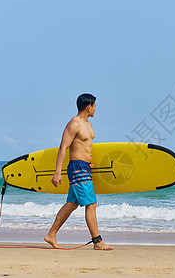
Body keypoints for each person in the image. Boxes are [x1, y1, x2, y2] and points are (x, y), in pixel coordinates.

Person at [44, 93, 114, 250]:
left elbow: (85, 147)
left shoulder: (89, 124)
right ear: (89, 107)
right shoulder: (73, 124)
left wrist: (87, 162)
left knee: (72, 204)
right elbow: (63, 148)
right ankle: (97, 241)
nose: (96, 109)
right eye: (95, 106)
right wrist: (57, 172)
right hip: (76, 168)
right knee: (92, 204)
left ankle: (51, 235)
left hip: (84, 167)